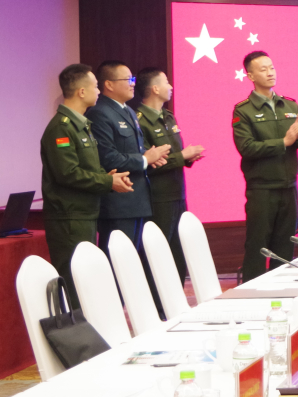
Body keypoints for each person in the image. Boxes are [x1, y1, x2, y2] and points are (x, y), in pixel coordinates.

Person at [41, 64, 132, 308]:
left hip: (85, 213)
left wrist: (108, 177)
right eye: (94, 86)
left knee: (86, 279)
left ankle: (89, 328)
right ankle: (77, 331)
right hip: (69, 217)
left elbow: (87, 168)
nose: (98, 91)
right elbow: (67, 173)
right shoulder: (61, 127)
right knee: (73, 281)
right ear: (81, 92)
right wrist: (107, 181)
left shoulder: (81, 124)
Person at [232, 51, 298, 282]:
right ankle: (252, 295)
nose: (270, 73)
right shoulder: (243, 110)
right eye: (263, 69)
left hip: (289, 187)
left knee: (285, 248)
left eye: (272, 67)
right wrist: (284, 142)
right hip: (262, 190)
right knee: (258, 247)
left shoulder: (290, 104)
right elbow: (247, 147)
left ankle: (282, 292)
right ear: (250, 76)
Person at [86, 61, 169, 254]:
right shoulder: (100, 113)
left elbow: (133, 149)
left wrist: (150, 157)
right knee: (118, 261)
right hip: (118, 204)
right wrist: (145, 160)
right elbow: (108, 158)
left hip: (137, 201)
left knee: (133, 261)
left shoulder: (128, 111)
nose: (133, 83)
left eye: (133, 79)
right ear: (109, 84)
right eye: (128, 79)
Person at [135, 68, 205, 281]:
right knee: (158, 254)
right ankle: (157, 299)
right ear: (155, 89)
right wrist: (182, 156)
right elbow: (148, 163)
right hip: (158, 198)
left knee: (178, 252)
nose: (171, 86)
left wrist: (187, 158)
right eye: (166, 82)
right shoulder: (139, 121)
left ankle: (177, 297)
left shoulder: (168, 116)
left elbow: (174, 154)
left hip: (178, 195)